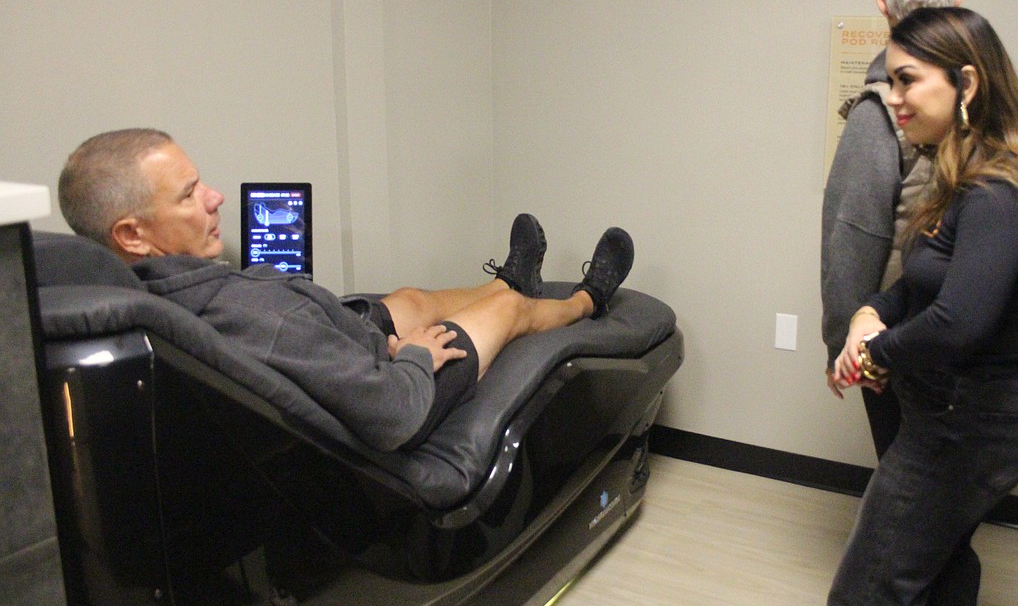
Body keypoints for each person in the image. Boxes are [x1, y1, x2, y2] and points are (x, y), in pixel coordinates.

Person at [57, 128, 635, 452]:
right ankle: (586, 299)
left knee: (409, 297)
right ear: (131, 235)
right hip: (399, 386)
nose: (215, 198)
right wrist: (412, 357)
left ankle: (511, 278)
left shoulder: (154, 287)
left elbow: (303, 338)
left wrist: (362, 334)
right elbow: (391, 413)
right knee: (506, 313)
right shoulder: (255, 320)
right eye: (188, 195)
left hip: (342, 341)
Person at [819, 7, 1018, 606]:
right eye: (891, 81)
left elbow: (958, 322)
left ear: (966, 84)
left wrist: (872, 354)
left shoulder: (1002, 193)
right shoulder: (963, 176)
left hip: (964, 426)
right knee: (930, 572)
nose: (894, 97)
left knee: (873, 594)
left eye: (908, 80)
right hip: (956, 417)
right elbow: (919, 285)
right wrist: (868, 315)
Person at [821, 0, 963, 458]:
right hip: (963, 338)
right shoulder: (983, 103)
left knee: (910, 488)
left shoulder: (880, 112)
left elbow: (853, 237)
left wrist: (845, 344)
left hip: (899, 341)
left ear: (882, 5)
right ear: (957, 0)